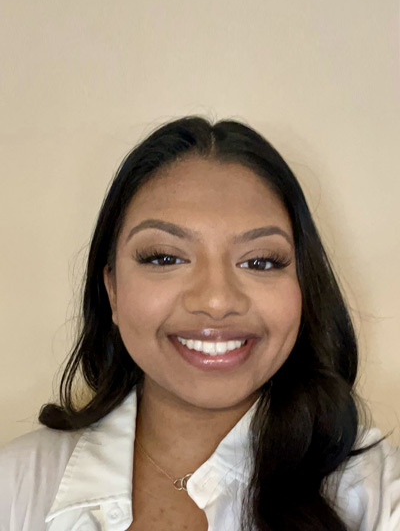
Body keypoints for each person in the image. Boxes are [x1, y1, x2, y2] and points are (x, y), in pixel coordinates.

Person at [1, 117, 399, 531]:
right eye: (164, 257)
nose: (216, 301)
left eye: (260, 261)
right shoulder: (15, 487)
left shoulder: (378, 495)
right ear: (112, 291)